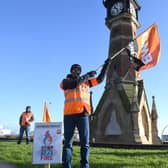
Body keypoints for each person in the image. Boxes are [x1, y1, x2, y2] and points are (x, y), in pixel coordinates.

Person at [60, 59, 109, 168]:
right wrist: (87, 75)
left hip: (83, 114)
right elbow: (74, 83)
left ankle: (85, 166)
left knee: (85, 143)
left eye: (78, 70)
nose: (76, 72)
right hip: (69, 115)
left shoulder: (86, 82)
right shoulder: (65, 81)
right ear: (71, 71)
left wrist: (106, 66)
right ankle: (67, 166)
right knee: (68, 143)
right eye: (74, 70)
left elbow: (100, 79)